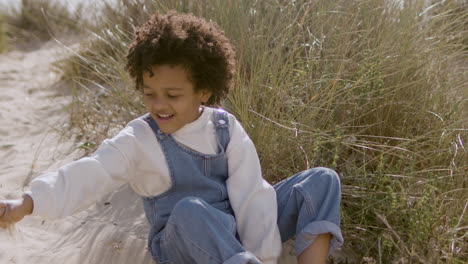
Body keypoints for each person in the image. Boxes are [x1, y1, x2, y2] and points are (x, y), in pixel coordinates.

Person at [0, 11, 343, 264]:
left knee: (321, 181)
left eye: (173, 95)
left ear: (204, 91)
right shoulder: (139, 139)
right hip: (183, 241)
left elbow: (253, 196)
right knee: (191, 211)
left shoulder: (226, 129)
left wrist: (263, 257)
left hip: (234, 236)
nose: (159, 105)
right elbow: (90, 173)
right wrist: (26, 204)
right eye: (150, 93)